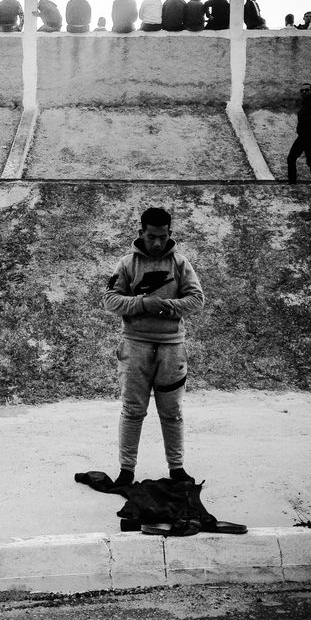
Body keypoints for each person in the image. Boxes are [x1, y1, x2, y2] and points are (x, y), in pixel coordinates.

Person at [103, 206, 204, 487]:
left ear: (170, 234)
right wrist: (141, 303)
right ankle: (126, 471)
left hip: (172, 348)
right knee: (133, 410)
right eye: (151, 237)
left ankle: (177, 469)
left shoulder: (181, 264)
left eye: (162, 236)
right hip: (134, 347)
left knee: (171, 412)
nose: (157, 242)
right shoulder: (126, 264)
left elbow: (197, 300)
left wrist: (167, 308)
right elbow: (109, 301)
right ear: (141, 233)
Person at [287, 82, 311, 184]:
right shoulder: (303, 104)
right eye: (302, 91)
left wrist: (303, 123)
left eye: (307, 90)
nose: (304, 92)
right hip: (303, 136)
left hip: (310, 135)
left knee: (310, 160)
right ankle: (292, 182)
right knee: (292, 158)